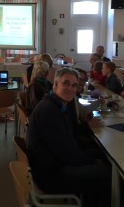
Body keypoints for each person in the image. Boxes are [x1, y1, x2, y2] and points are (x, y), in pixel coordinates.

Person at [27, 68, 111, 207]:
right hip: (51, 174)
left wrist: (95, 156)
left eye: (74, 85)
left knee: (103, 156)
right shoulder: (49, 111)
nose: (71, 89)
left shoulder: (59, 105)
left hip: (56, 162)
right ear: (55, 84)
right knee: (109, 173)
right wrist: (93, 160)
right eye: (66, 83)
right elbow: (67, 154)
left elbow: (69, 137)